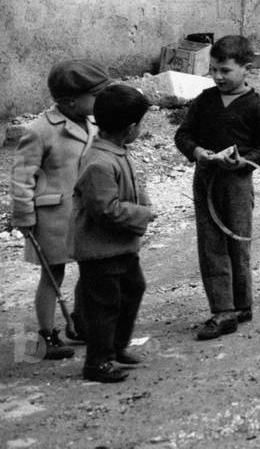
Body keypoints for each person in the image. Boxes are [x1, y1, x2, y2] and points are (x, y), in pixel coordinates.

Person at [173, 35, 260, 340]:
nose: (218, 77)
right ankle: (223, 311)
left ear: (246, 68)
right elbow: (184, 134)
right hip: (206, 180)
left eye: (225, 71)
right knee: (211, 244)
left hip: (237, 183)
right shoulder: (204, 100)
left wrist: (243, 161)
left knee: (238, 242)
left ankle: (242, 305)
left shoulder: (255, 106)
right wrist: (197, 152)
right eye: (214, 70)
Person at [10, 59, 109, 360]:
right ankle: (46, 334)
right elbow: (22, 176)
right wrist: (24, 216)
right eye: (95, 95)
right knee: (53, 276)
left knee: (90, 269)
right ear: (70, 100)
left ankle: (77, 323)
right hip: (53, 218)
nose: (101, 101)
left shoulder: (92, 123)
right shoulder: (40, 130)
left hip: (84, 214)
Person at [71, 83, 155, 383]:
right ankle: (97, 361)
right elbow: (105, 209)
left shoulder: (116, 151)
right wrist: (143, 214)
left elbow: (131, 187)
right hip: (100, 249)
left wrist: (142, 202)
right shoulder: (99, 161)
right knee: (104, 305)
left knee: (133, 290)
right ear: (131, 128)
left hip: (121, 246)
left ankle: (117, 347)